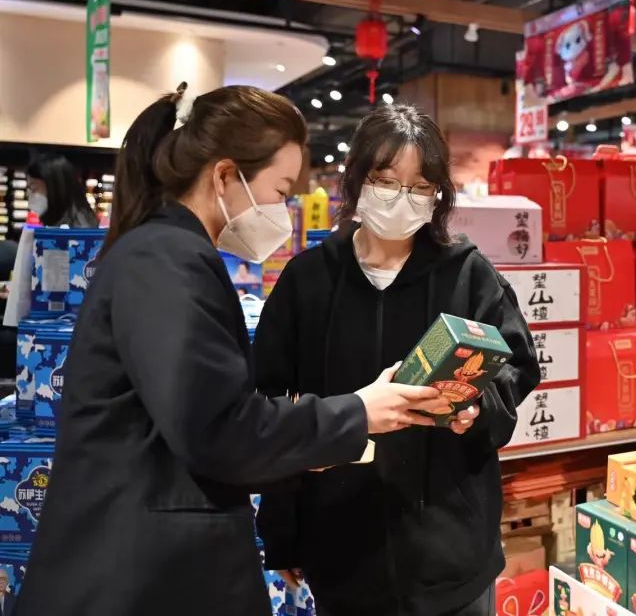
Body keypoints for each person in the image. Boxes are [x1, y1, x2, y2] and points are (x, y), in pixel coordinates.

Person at [16, 86, 450, 616]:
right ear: (225, 176)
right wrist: (358, 412)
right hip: (140, 574)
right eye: (279, 190)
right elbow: (218, 427)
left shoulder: (168, 254)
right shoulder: (166, 261)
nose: (281, 211)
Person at [255, 104, 542, 616]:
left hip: (452, 553)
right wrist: (283, 532)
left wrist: (478, 407)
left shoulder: (467, 274)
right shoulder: (308, 282)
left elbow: (516, 368)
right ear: (357, 180)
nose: (402, 199)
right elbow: (273, 404)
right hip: (341, 547)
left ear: (438, 196)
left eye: (420, 187)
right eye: (386, 182)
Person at [27, 153, 98, 228]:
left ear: (55, 189)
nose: (28, 194)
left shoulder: (77, 227)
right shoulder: (61, 222)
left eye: (34, 189)